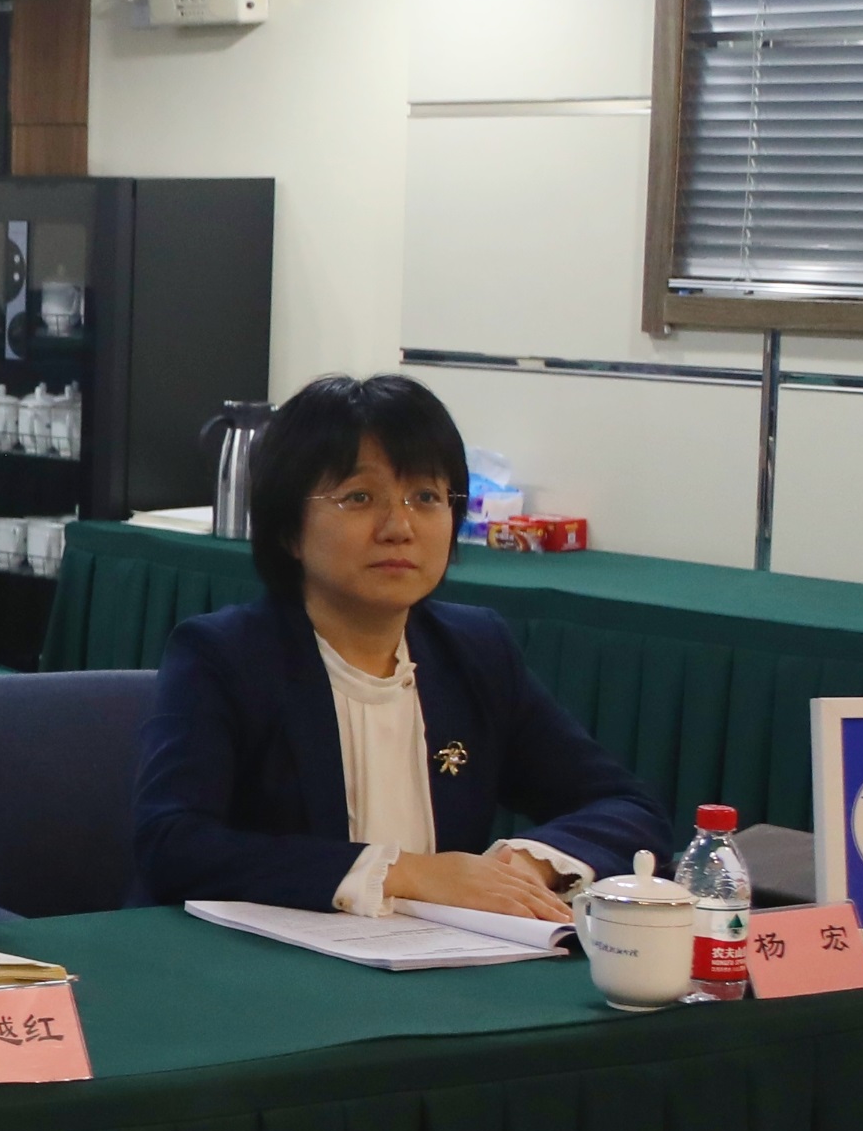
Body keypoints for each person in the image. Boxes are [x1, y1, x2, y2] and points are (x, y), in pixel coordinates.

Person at [134, 371, 661, 917]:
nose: (399, 527)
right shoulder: (225, 656)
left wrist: (526, 865)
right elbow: (172, 845)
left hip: (437, 957)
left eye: (426, 497)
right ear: (290, 529)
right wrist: (404, 872)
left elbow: (626, 807)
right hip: (256, 959)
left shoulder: (475, 651)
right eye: (360, 497)